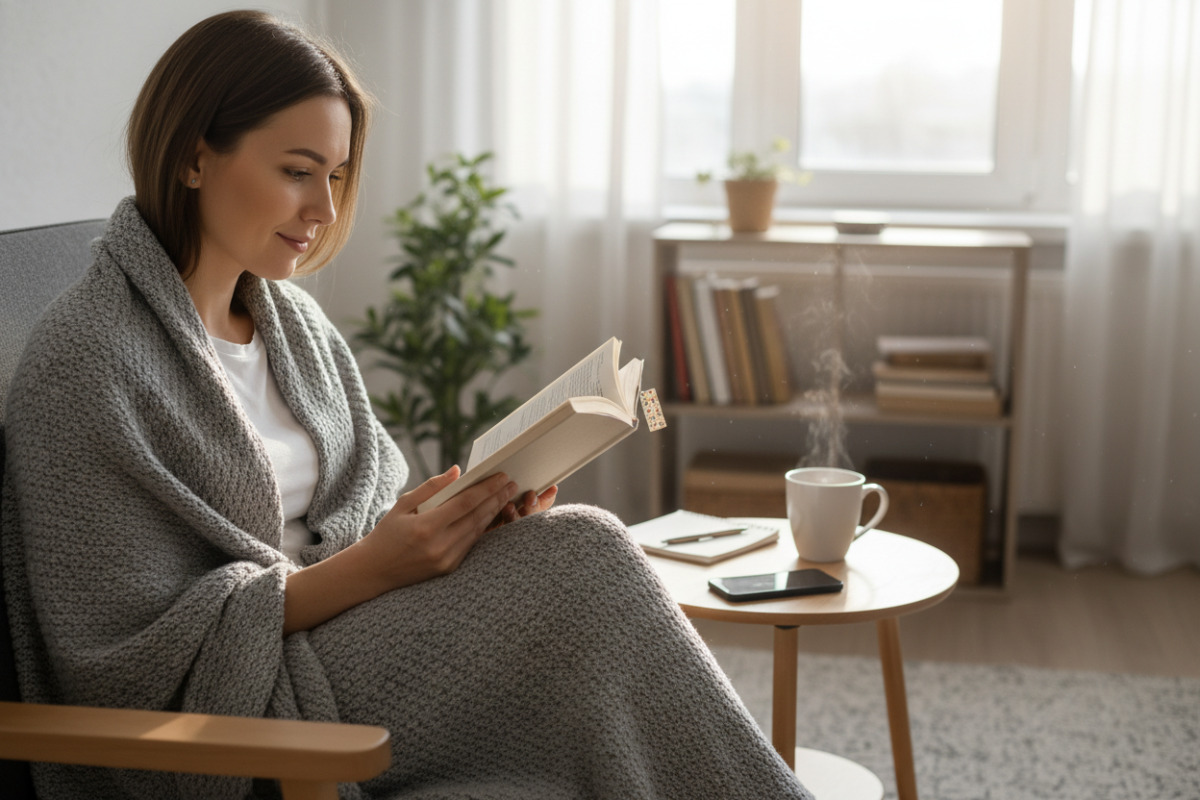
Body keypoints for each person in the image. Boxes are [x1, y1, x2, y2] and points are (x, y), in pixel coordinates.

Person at [0, 10, 812, 800]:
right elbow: (124, 656)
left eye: (337, 176)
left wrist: (460, 526)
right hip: (244, 709)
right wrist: (376, 566)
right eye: (296, 171)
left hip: (348, 637)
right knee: (587, 566)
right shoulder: (88, 361)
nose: (322, 211)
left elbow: (368, 510)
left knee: (571, 561)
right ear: (193, 158)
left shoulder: (295, 327)